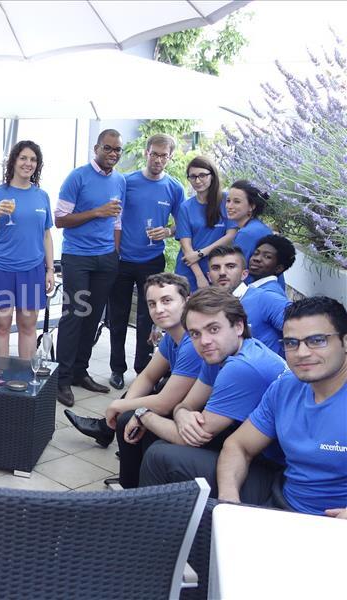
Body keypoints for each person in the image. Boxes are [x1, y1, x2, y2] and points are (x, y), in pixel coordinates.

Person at [134, 287, 287, 493]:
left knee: (159, 455)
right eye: (195, 334)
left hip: (274, 466)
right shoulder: (219, 351)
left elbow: (190, 439)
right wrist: (182, 415)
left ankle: (145, 515)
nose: (204, 341)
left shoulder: (242, 367)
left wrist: (143, 414)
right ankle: (137, 499)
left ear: (239, 326)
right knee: (159, 438)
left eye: (213, 329)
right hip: (244, 440)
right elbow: (187, 404)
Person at [65, 273, 203, 488]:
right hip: (181, 403)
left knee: (127, 415)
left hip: (198, 415)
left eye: (167, 300)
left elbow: (165, 402)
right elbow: (148, 376)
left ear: (186, 301)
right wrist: (124, 404)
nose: (159, 309)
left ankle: (132, 487)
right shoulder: (171, 337)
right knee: (127, 413)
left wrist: (118, 405)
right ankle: (130, 482)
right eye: (152, 303)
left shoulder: (193, 342)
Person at [217, 296, 347, 517]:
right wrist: (229, 499)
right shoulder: (286, 387)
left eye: (317, 340)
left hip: (333, 525)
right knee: (164, 457)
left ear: (344, 342)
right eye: (291, 343)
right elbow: (239, 445)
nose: (302, 352)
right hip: (282, 502)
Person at [54, 129, 127, 406]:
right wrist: (97, 212)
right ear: (96, 148)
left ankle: (79, 372)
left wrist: (115, 253)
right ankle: (61, 379)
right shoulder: (78, 177)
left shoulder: (120, 180)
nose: (113, 154)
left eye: (117, 150)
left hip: (106, 258)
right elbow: (60, 219)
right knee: (75, 315)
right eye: (108, 148)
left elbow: (117, 221)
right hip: (77, 257)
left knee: (93, 317)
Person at [108, 133, 185, 390]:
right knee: (117, 316)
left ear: (170, 157)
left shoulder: (174, 188)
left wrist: (168, 231)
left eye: (164, 155)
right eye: (155, 154)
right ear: (146, 153)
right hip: (122, 259)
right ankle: (117, 369)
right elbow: (113, 217)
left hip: (152, 260)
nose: (158, 159)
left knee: (148, 317)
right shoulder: (127, 182)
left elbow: (182, 224)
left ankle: (143, 369)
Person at [0, 140, 54, 358]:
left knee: (29, 326)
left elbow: (46, 234)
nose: (27, 163)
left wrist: (50, 270)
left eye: (33, 159)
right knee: (1, 326)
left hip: (32, 269)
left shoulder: (42, 196)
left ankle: (24, 379)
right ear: (13, 161)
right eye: (23, 158)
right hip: (0, 268)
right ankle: (1, 379)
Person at [207, 246, 291, 356]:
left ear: (244, 274)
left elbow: (303, 328)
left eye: (230, 266)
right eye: (216, 268)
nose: (222, 272)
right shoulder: (209, 308)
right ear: (209, 277)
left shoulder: (265, 299)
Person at [174, 156, 237, 292]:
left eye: (202, 175)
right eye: (193, 177)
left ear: (212, 175)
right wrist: (199, 276)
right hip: (190, 270)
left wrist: (201, 253)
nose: (197, 181)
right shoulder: (186, 207)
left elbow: (231, 235)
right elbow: (186, 247)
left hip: (218, 270)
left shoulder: (227, 201)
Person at [226, 179, 272, 266]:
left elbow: (238, 270)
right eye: (228, 200)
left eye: (237, 202)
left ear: (251, 206)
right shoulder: (257, 226)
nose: (229, 206)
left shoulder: (247, 233)